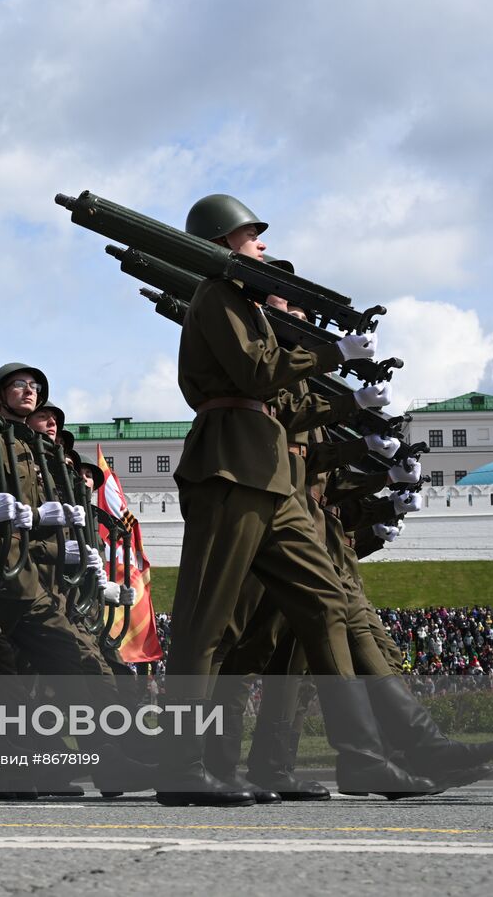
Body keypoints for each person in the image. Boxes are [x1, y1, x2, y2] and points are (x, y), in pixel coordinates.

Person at [165, 194, 431, 805]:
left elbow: (274, 390)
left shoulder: (248, 305)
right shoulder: (217, 296)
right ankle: (182, 767)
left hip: (270, 474)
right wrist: (334, 354)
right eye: (249, 235)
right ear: (220, 242)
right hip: (230, 465)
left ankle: (362, 759)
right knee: (207, 626)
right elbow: (258, 376)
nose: (260, 243)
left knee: (324, 603)